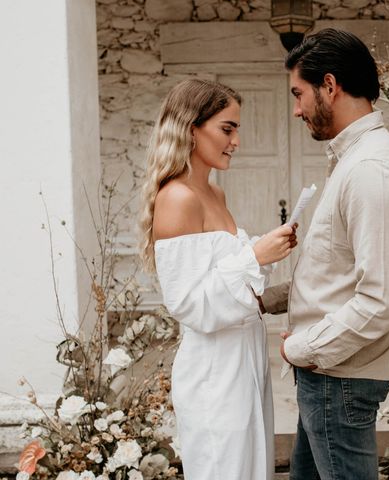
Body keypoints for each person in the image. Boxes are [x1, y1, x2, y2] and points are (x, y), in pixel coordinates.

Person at [259, 29, 389, 480]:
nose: (295, 110)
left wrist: (300, 348)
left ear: (330, 85)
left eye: (298, 94)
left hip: (340, 379)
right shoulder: (355, 161)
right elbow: (340, 271)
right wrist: (268, 299)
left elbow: (379, 301)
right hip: (329, 375)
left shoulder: (371, 171)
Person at [139, 79, 296, 480]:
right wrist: (253, 256)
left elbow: (225, 277)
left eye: (236, 129)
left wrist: (265, 251)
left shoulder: (215, 194)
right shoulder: (178, 198)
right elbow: (189, 305)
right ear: (192, 129)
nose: (237, 141)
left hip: (245, 358)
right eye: (227, 128)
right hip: (214, 368)